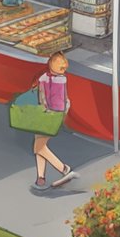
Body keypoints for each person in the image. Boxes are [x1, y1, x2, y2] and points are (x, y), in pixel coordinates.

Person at [30, 52, 76, 191]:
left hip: (49, 116)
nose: (63, 69)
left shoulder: (56, 80)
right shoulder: (49, 78)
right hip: (46, 115)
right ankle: (40, 178)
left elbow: (55, 100)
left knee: (38, 146)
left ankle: (64, 169)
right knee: (39, 145)